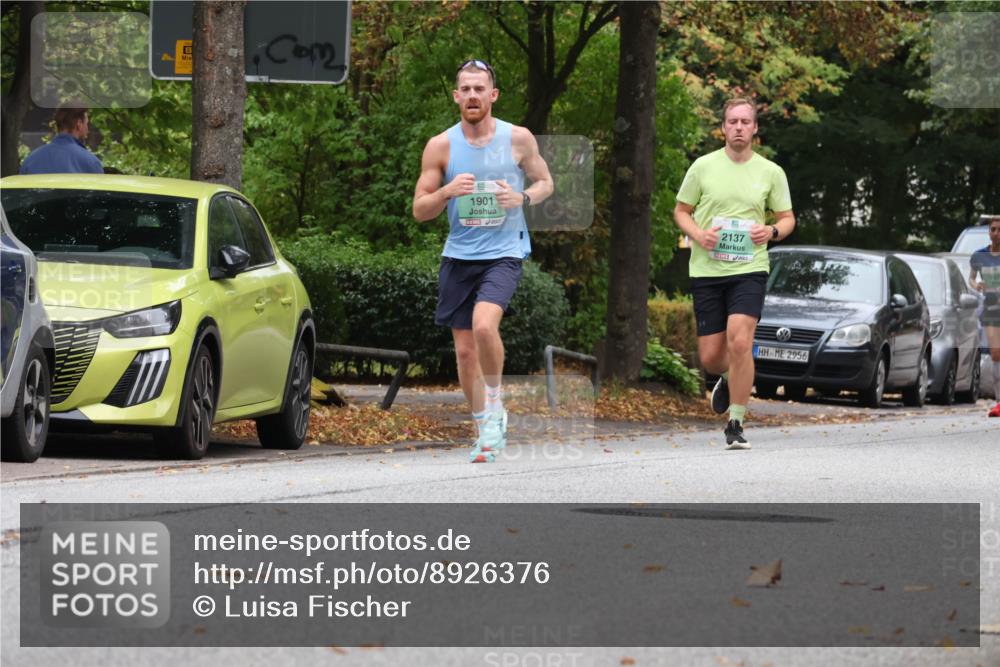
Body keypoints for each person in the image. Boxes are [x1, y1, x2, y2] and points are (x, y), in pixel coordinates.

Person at [413, 60, 553, 463]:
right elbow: (420, 210)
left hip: (504, 253)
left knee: (483, 325)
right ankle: (485, 428)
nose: (472, 96)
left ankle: (494, 401)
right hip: (459, 256)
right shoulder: (441, 146)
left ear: (492, 95)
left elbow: (546, 183)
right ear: (456, 96)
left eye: (480, 89)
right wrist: (446, 192)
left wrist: (523, 198)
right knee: (464, 352)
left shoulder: (518, 139)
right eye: (465, 89)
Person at [673, 97, 795, 450]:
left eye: (745, 121)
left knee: (740, 341)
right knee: (711, 356)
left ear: (755, 128)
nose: (738, 127)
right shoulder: (702, 166)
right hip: (708, 269)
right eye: (732, 121)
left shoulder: (771, 172)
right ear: (723, 127)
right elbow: (682, 211)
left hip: (750, 268)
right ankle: (727, 377)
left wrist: (770, 232)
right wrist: (699, 235)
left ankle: (736, 422)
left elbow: (787, 219)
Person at [969, 216, 1000, 417]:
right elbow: (971, 279)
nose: (996, 233)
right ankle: (999, 402)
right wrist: (977, 285)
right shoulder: (979, 256)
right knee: (996, 355)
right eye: (993, 229)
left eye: (999, 229)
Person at [20, 105, 103, 175]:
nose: (87, 129)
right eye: (86, 123)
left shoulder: (30, 161)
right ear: (79, 124)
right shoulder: (91, 163)